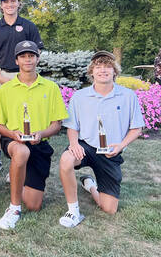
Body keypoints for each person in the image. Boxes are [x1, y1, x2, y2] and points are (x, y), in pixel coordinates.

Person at [58, 51, 144, 227]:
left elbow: (136, 128)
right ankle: (73, 211)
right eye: (98, 67)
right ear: (92, 72)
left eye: (107, 66)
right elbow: (72, 126)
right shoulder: (80, 97)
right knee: (66, 159)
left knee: (109, 209)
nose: (103, 70)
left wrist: (121, 145)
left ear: (115, 71)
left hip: (111, 152)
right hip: (87, 146)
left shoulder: (128, 96)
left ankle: (90, 185)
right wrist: (74, 144)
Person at [0, 40, 68, 230]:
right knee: (21, 153)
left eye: (31, 56)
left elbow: (57, 124)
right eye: (23, 56)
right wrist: (12, 133)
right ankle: (14, 208)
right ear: (16, 60)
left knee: (34, 205)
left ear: (37, 58)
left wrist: (41, 133)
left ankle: (19, 174)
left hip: (39, 143)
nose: (28, 60)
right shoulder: (6, 89)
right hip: (13, 139)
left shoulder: (50, 88)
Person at [0, 0, 44, 177]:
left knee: (24, 115)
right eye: (6, 2)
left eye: (13, 1)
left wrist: (27, 73)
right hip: (1, 76)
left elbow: (37, 52)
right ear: (1, 6)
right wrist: (0, 78)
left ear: (18, 3)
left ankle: (22, 156)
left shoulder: (28, 26)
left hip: (24, 76)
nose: (9, 4)